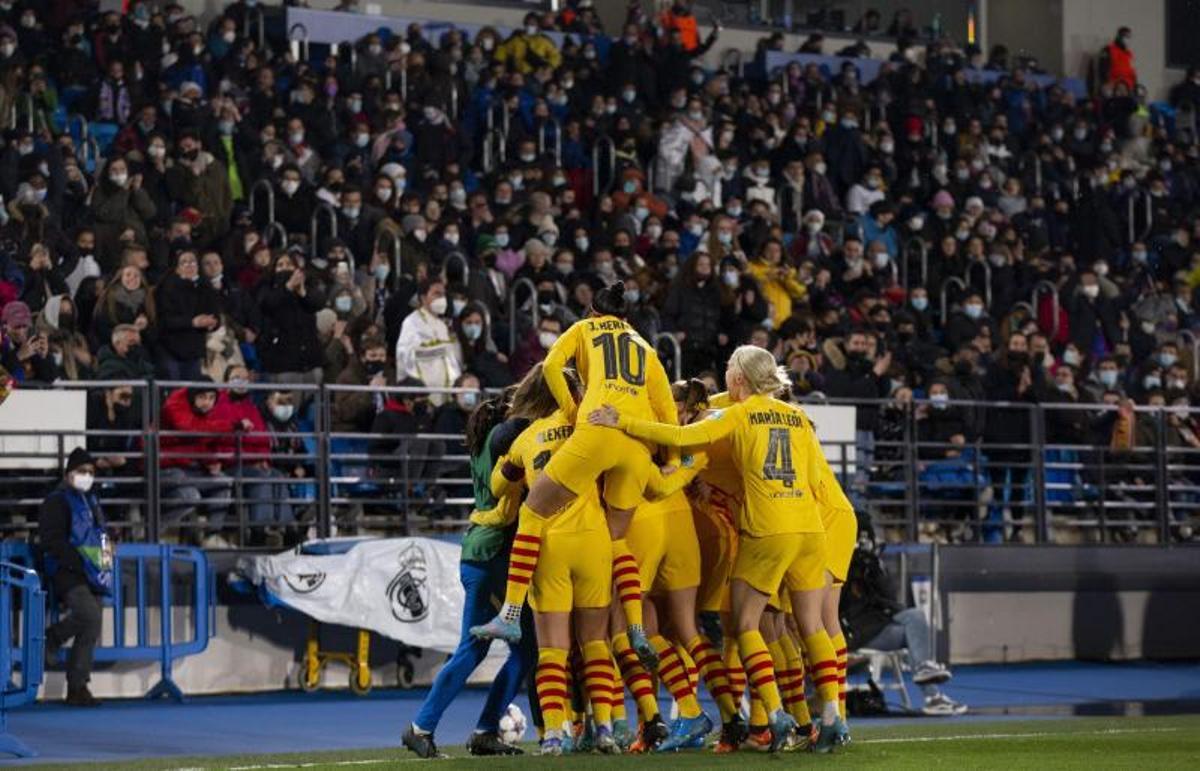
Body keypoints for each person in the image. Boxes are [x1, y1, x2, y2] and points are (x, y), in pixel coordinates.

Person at [587, 345, 851, 752]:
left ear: (739, 379)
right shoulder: (799, 417)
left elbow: (682, 435)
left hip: (769, 530)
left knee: (745, 625)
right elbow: (817, 478)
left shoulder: (741, 414)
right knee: (811, 626)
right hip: (811, 529)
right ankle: (831, 717)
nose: (727, 375)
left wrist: (623, 419)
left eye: (729, 369)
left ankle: (775, 715)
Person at [470, 282, 678, 687]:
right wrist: (668, 458)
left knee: (533, 511)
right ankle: (636, 626)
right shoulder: (645, 347)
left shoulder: (584, 331)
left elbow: (550, 368)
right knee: (616, 538)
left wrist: (574, 408)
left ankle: (509, 615)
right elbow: (666, 408)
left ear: (592, 312)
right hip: (638, 449)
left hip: (598, 431)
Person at [403, 379, 547, 758]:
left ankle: (469, 729)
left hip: (479, 552)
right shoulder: (509, 443)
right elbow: (506, 506)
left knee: (493, 648)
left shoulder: (483, 443)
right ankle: (430, 726)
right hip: (495, 555)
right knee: (506, 649)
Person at [840, 540, 968, 716]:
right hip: (857, 633)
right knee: (913, 634)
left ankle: (925, 671)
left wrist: (873, 568)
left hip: (876, 624)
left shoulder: (869, 568)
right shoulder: (839, 572)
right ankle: (932, 696)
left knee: (916, 616)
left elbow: (888, 598)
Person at [38, 448, 111, 707]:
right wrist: (78, 562)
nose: (86, 476)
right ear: (69, 474)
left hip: (90, 572)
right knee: (89, 615)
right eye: (82, 471)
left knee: (91, 625)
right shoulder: (57, 501)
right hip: (65, 572)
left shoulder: (91, 501)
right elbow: (51, 539)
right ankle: (52, 638)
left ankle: (78, 687)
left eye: (90, 472)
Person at [395, 277, 463, 405]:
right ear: (423, 298)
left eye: (443, 294)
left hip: (446, 392)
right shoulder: (412, 322)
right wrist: (439, 349)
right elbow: (406, 354)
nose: (442, 298)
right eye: (436, 294)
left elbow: (451, 358)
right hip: (423, 392)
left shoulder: (443, 326)